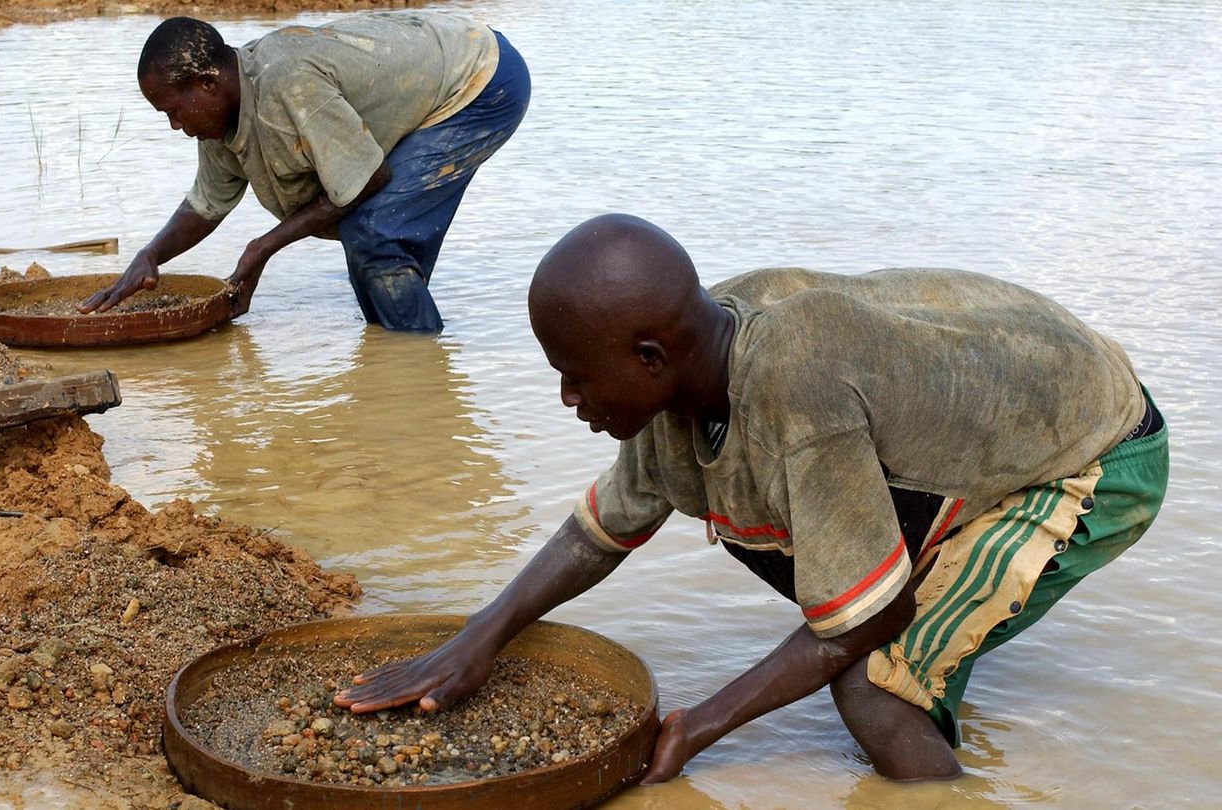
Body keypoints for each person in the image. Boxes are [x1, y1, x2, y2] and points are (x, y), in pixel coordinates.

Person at [333, 214, 1170, 782]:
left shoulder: (798, 392)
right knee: (812, 577)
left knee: (873, 684)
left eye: (575, 379)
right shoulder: (691, 353)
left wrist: (701, 725)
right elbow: (601, 531)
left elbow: (864, 621)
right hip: (974, 399)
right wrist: (478, 637)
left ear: (654, 356)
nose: (567, 400)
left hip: (1088, 449)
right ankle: (936, 666)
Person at [78, 11, 530, 332]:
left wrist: (263, 247)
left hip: (481, 78)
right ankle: (395, 345)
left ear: (209, 83)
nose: (176, 126)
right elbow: (206, 203)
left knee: (375, 232)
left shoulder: (286, 83)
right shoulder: (221, 122)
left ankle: (414, 369)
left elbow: (368, 181)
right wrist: (152, 255)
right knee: (372, 236)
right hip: (434, 59)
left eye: (174, 111)